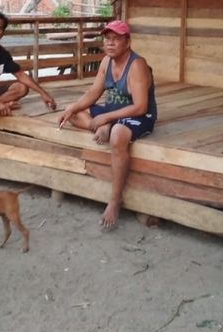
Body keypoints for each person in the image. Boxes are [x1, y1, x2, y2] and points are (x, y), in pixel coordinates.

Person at [57, 20, 157, 229]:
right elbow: (94, 92)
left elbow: (140, 106)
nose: (110, 44)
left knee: (118, 134)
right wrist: (72, 107)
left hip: (138, 115)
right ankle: (107, 125)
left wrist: (107, 119)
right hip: (112, 112)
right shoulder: (106, 62)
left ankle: (114, 200)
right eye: (107, 39)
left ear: (127, 42)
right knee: (73, 113)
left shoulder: (137, 65)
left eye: (116, 39)